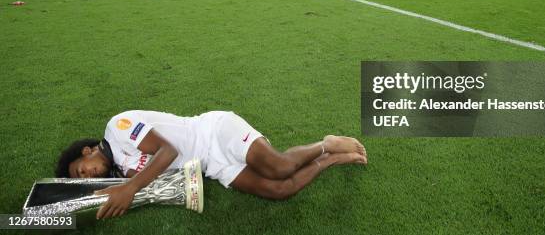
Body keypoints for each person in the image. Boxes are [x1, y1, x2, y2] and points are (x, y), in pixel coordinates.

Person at [56, 110, 367, 219]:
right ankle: (331, 160)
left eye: (81, 169)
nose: (88, 173)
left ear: (87, 151)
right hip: (209, 164)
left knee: (280, 167)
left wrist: (129, 188)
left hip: (214, 131)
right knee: (280, 189)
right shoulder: (122, 171)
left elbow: (167, 151)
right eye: (83, 178)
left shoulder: (117, 127)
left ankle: (326, 143)